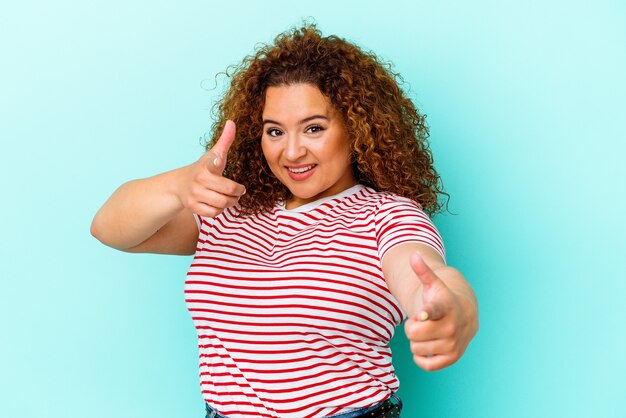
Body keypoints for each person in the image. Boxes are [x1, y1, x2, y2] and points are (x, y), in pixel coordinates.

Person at [91, 23, 478, 418]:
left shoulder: (386, 215)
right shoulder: (229, 209)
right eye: (274, 131)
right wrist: (180, 184)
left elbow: (422, 274)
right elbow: (109, 228)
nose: (291, 152)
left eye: (314, 128)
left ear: (356, 128)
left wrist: (451, 305)